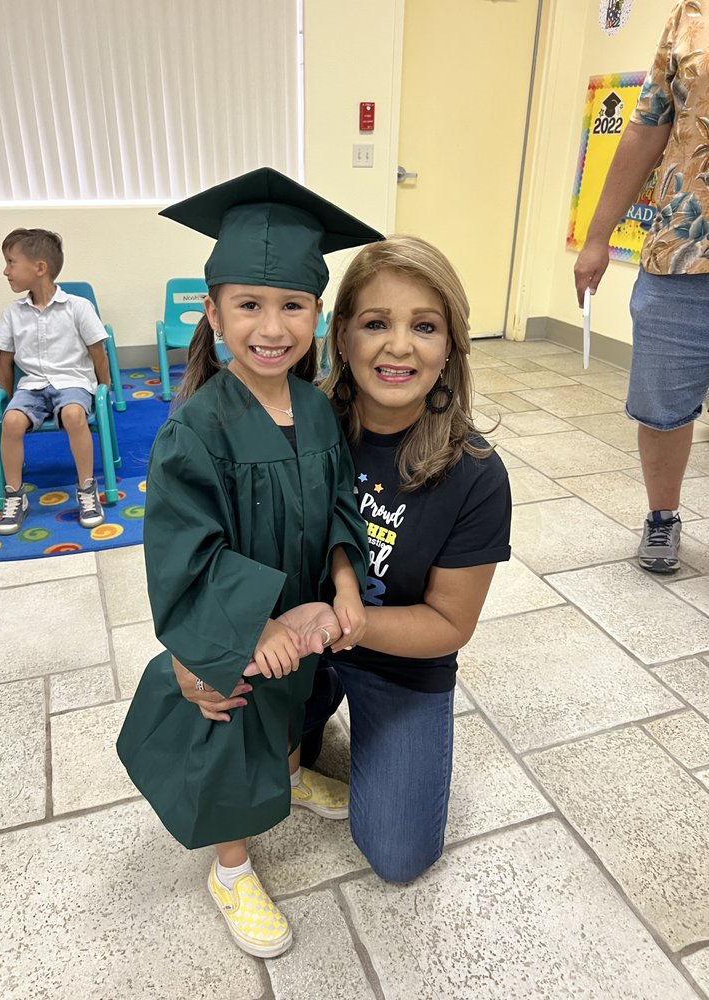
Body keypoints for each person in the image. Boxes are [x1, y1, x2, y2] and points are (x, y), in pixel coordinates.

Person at [117, 168, 381, 959]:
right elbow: (184, 548)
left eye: (293, 305)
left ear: (318, 314)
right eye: (249, 305)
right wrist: (253, 624)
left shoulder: (318, 411)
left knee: (295, 702)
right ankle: (230, 869)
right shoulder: (196, 431)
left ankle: (292, 776)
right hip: (242, 630)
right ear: (214, 312)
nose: (272, 327)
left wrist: (343, 582)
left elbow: (340, 505)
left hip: (303, 616)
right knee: (233, 719)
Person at [291, 235, 512, 883]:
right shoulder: (301, 428)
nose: (399, 346)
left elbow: (448, 623)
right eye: (376, 323)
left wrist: (338, 624)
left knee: (397, 855)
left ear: (450, 346)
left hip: (401, 664)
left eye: (425, 326)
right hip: (298, 644)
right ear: (341, 336)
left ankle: (339, 712)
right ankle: (312, 709)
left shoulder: (475, 474)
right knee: (242, 744)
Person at [574, 1, 709, 573]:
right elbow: (648, 127)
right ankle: (662, 517)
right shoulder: (689, 17)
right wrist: (596, 236)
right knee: (661, 407)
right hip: (681, 250)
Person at [0, 228, 109, 533]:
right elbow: (5, 361)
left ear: (39, 268)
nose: (6, 271)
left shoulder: (78, 307)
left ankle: (86, 488)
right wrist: (8, 400)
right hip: (31, 386)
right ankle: (15, 495)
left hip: (72, 382)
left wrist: (103, 390)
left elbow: (98, 352)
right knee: (11, 421)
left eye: (11, 262)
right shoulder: (12, 313)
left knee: (73, 414)